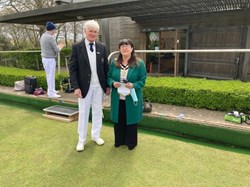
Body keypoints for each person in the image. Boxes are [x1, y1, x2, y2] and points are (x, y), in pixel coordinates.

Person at [69, 20, 110, 152]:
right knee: (83, 113)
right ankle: (81, 140)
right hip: (83, 88)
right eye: (90, 31)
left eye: (95, 31)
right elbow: (72, 69)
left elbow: (106, 68)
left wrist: (107, 85)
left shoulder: (102, 47)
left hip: (99, 87)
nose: (93, 33)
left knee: (98, 111)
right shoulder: (77, 47)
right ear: (85, 31)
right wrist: (76, 87)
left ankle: (96, 135)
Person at [107, 39, 147, 150]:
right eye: (122, 46)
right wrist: (112, 83)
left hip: (131, 96)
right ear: (119, 49)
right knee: (119, 118)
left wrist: (133, 85)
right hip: (117, 96)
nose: (124, 48)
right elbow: (109, 77)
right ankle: (119, 141)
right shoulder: (114, 62)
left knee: (131, 119)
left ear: (132, 48)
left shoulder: (139, 63)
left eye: (127, 45)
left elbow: (142, 80)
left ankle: (131, 143)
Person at [40, 21, 65, 98]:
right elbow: (57, 50)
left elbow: (50, 47)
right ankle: (51, 94)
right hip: (50, 60)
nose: (55, 31)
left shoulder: (43, 35)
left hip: (45, 59)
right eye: (54, 29)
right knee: (51, 76)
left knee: (49, 76)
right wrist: (61, 46)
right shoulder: (50, 38)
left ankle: (51, 90)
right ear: (52, 29)